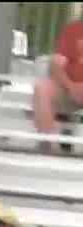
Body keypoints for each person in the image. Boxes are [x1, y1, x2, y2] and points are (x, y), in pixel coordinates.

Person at [32, 18, 83, 149]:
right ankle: (45, 144)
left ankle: (66, 126)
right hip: (69, 90)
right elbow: (55, 65)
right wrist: (71, 87)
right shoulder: (74, 29)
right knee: (42, 88)